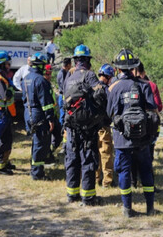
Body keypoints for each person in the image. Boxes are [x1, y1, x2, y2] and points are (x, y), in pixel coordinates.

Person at [107, 49, 157, 217]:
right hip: (142, 140)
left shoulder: (114, 88)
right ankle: (150, 208)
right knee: (146, 172)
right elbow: (152, 110)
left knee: (124, 173)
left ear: (118, 69)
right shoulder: (144, 86)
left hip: (122, 140)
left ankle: (127, 209)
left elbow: (109, 113)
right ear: (134, 67)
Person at [63, 44, 104, 206]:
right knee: (87, 159)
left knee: (72, 159)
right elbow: (100, 93)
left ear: (75, 60)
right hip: (87, 127)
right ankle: (88, 198)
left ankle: (72, 194)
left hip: (71, 126)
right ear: (87, 60)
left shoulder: (69, 77)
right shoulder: (89, 76)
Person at [21, 53, 55, 180]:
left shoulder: (26, 78)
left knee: (35, 142)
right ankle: (37, 173)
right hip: (38, 115)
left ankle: (35, 168)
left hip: (28, 113)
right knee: (41, 144)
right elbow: (46, 103)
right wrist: (50, 118)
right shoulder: (41, 80)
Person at [131, 62, 163, 190]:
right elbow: (158, 106)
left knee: (133, 154)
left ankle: (133, 182)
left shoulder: (127, 85)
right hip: (148, 125)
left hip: (133, 125)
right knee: (147, 155)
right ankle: (149, 185)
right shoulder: (150, 85)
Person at [0, 51, 17, 175]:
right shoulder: (0, 79)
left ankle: (5, 162)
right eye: (7, 63)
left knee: (8, 139)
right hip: (1, 113)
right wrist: (11, 89)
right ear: (2, 64)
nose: (8, 65)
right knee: (5, 140)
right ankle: (0, 166)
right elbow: (4, 96)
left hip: (2, 112)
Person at [95, 64, 115, 188]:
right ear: (108, 77)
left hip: (93, 127)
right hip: (104, 127)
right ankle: (107, 182)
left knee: (95, 152)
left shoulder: (92, 88)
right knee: (106, 153)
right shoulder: (106, 91)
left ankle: (96, 178)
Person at [44, 64, 62, 163]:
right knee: (46, 138)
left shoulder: (48, 85)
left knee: (58, 135)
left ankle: (50, 150)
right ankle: (48, 155)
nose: (49, 76)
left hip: (53, 115)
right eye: (47, 74)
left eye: (50, 74)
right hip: (47, 116)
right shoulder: (43, 85)